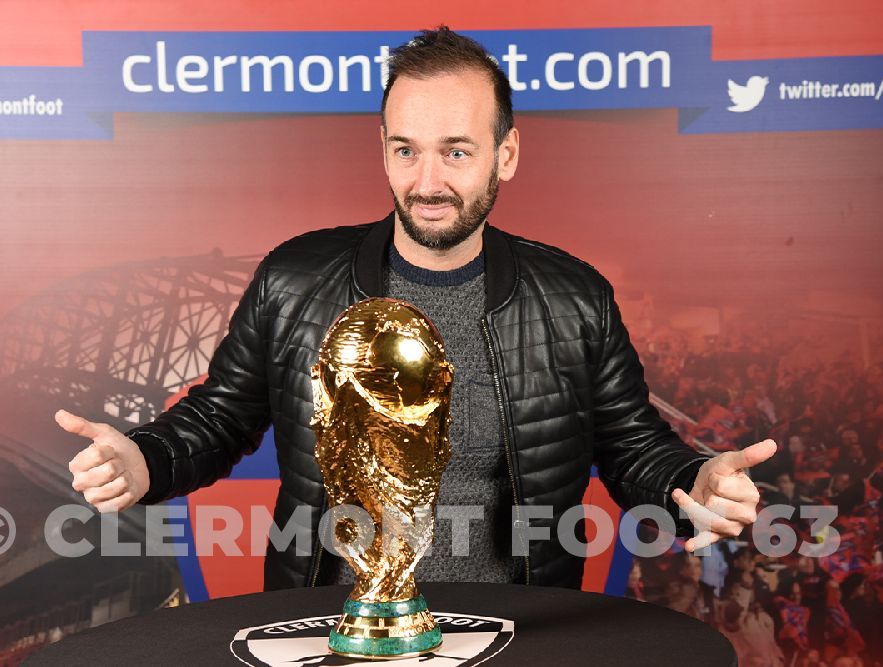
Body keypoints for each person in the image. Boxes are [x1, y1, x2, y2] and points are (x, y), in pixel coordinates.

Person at [55, 27, 775, 590]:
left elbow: (631, 446)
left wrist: (692, 481)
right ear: (384, 149)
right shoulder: (296, 278)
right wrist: (147, 457)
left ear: (507, 154)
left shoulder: (574, 295)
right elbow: (220, 418)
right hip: (329, 631)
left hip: (519, 633)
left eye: (457, 153)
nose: (428, 181)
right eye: (407, 150)